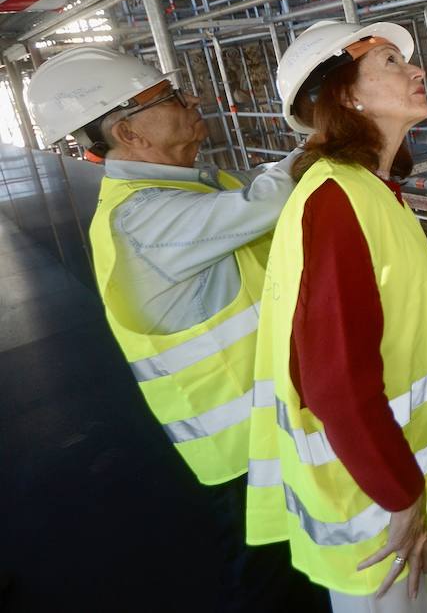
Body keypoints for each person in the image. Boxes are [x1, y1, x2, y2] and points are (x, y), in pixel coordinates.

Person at [25, 46, 325, 611]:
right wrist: (330, 135)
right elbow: (276, 197)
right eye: (167, 97)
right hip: (249, 450)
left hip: (284, 428)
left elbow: (262, 202)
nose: (191, 100)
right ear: (128, 133)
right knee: (281, 589)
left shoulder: (194, 189)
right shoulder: (143, 218)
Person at [247, 20, 427, 613]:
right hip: (373, 499)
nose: (416, 70)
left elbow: (381, 293)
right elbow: (333, 382)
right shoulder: (335, 201)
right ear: (345, 95)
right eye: (389, 63)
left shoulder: (371, 190)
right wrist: (399, 496)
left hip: (399, 477)